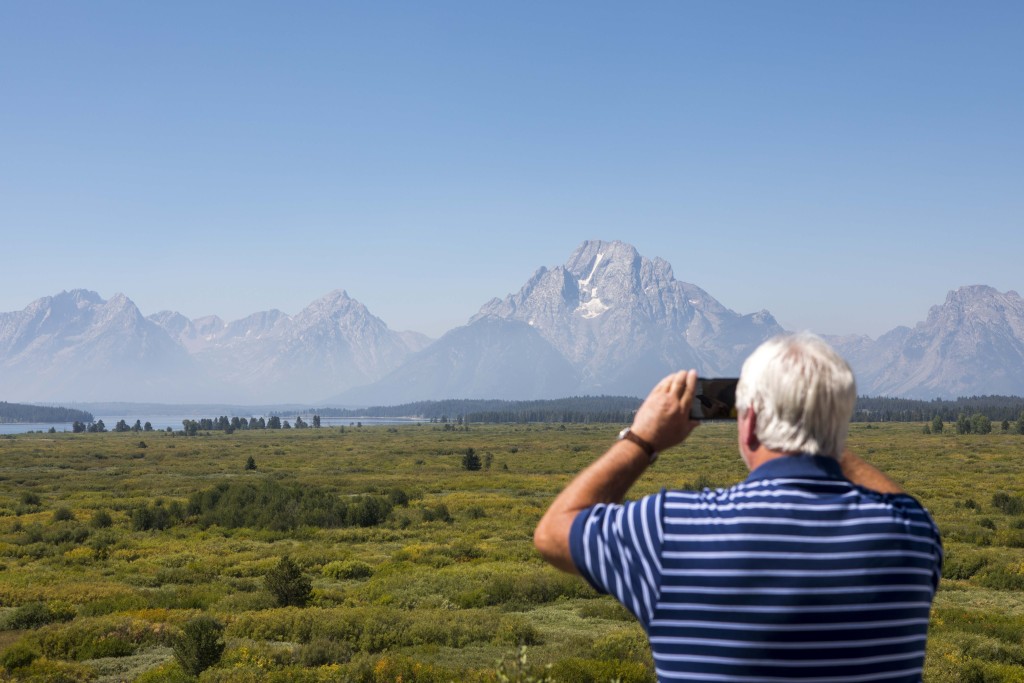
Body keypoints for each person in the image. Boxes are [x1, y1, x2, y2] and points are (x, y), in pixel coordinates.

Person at [534, 332, 942, 682]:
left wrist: (643, 438)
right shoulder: (911, 536)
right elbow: (899, 501)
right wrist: (819, 431)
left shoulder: (670, 529)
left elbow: (554, 532)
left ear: (748, 424)